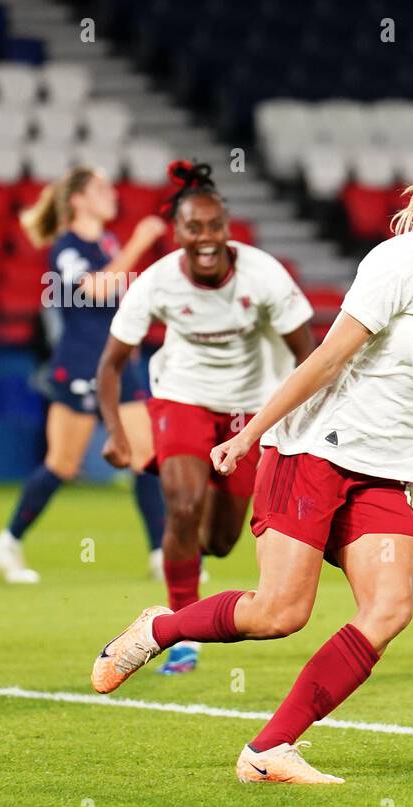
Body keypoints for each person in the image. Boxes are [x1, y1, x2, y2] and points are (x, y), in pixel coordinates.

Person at [90, 151, 413, 783]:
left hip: (385, 471)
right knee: (280, 613)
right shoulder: (403, 261)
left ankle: (268, 751)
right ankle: (158, 629)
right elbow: (327, 359)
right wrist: (253, 433)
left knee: (389, 610)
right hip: (316, 451)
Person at [96, 161, 316, 675]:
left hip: (251, 411)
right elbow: (110, 364)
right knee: (184, 502)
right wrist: (115, 432)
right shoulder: (156, 283)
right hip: (182, 398)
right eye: (194, 228)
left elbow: (309, 355)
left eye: (215, 226)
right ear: (177, 234)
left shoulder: (264, 274)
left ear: (227, 227)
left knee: (219, 541)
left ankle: (186, 557)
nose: (206, 237)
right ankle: (179, 631)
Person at [0, 166, 168, 584]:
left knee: (146, 459)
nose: (111, 194)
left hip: (121, 366)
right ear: (77, 201)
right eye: (100, 189)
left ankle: (161, 553)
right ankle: (7, 541)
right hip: (82, 366)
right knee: (62, 464)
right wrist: (141, 241)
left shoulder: (107, 242)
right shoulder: (67, 248)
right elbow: (96, 290)